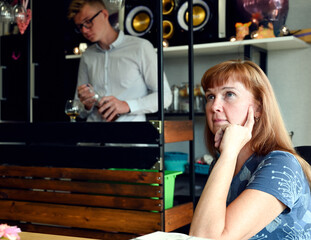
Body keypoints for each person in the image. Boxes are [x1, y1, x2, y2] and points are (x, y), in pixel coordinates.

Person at [189, 60, 311, 239]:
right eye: (210, 96)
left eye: (229, 94)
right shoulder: (221, 162)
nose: (214, 107)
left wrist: (229, 153)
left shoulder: (281, 165)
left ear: (258, 107)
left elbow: (206, 238)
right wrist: (227, 155)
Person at [67, 0, 172, 122]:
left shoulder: (140, 47)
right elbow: (79, 111)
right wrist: (87, 105)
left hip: (130, 138)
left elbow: (165, 97)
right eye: (80, 26)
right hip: (93, 138)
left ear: (104, 15)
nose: (84, 30)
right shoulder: (87, 56)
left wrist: (127, 105)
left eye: (88, 22)